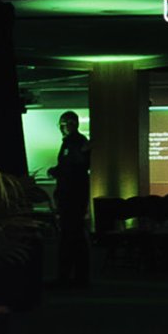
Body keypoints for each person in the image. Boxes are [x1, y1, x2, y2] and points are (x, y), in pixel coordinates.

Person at [53, 111, 91, 285]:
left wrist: (58, 171)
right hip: (73, 195)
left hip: (72, 197)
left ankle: (69, 276)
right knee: (74, 235)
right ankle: (76, 275)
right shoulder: (76, 142)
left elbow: (74, 167)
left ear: (72, 124)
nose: (61, 128)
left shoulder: (75, 143)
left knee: (71, 235)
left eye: (63, 124)